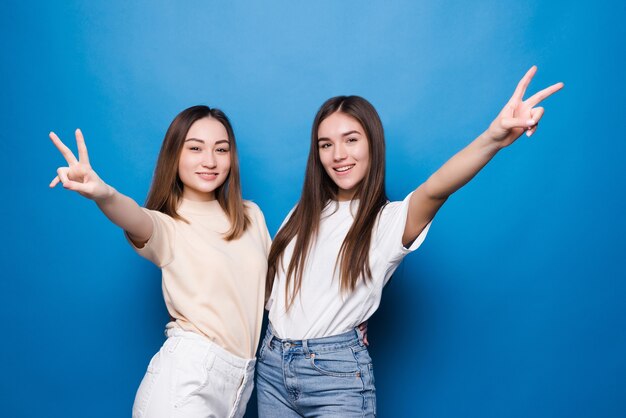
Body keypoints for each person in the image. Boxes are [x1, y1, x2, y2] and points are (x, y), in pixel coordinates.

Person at [256, 66, 563, 417]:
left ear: (373, 143)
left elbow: (437, 188)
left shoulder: (388, 221)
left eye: (351, 139)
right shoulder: (301, 214)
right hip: (272, 366)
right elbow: (276, 293)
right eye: (326, 144)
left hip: (334, 375)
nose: (338, 154)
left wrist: (493, 138)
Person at [49, 105, 271, 418]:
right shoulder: (169, 225)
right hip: (186, 380)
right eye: (195, 148)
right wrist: (104, 193)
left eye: (221, 150)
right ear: (174, 155)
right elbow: (135, 217)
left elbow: (279, 291)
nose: (210, 160)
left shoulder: (251, 216)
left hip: (239, 384)